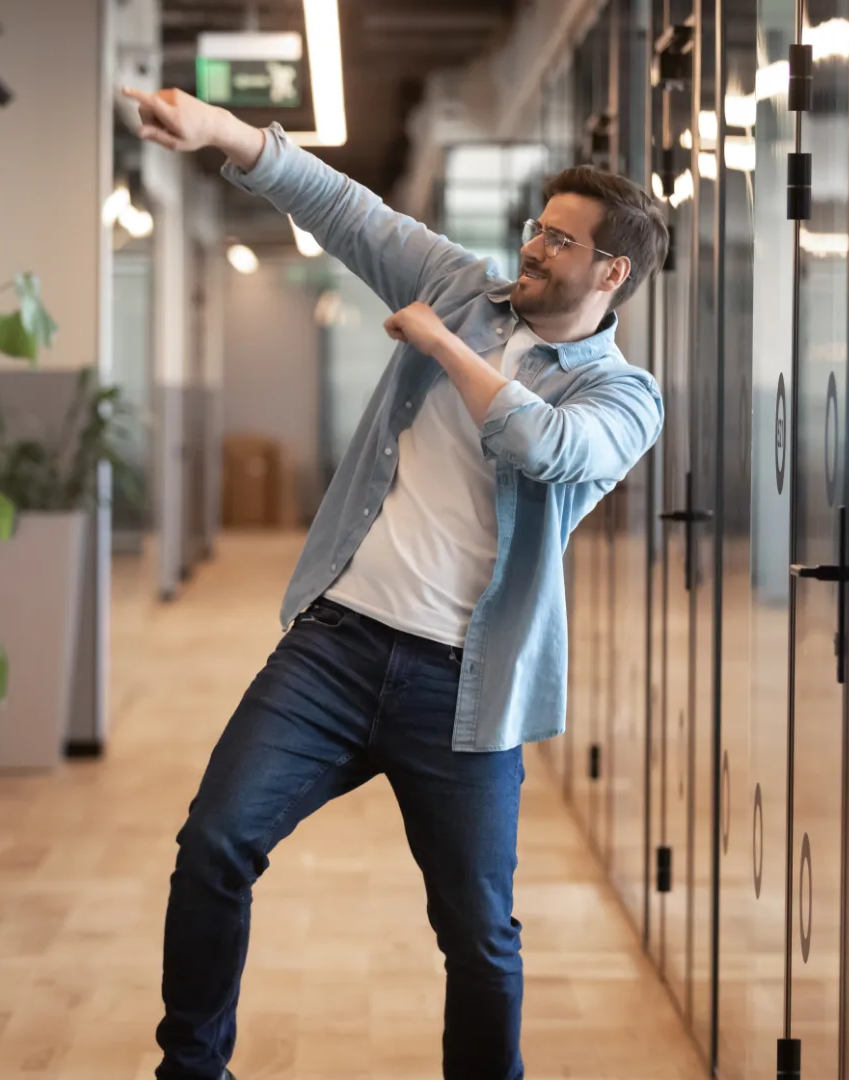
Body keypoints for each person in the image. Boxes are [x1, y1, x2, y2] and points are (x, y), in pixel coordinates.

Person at [120, 86, 669, 1080]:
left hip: (464, 689)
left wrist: (445, 347)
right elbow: (345, 207)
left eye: (560, 240)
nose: (534, 248)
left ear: (613, 271)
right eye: (537, 228)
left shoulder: (622, 394)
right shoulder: (462, 285)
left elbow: (544, 447)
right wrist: (221, 134)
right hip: (335, 648)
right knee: (214, 847)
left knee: (478, 936)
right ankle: (190, 1070)